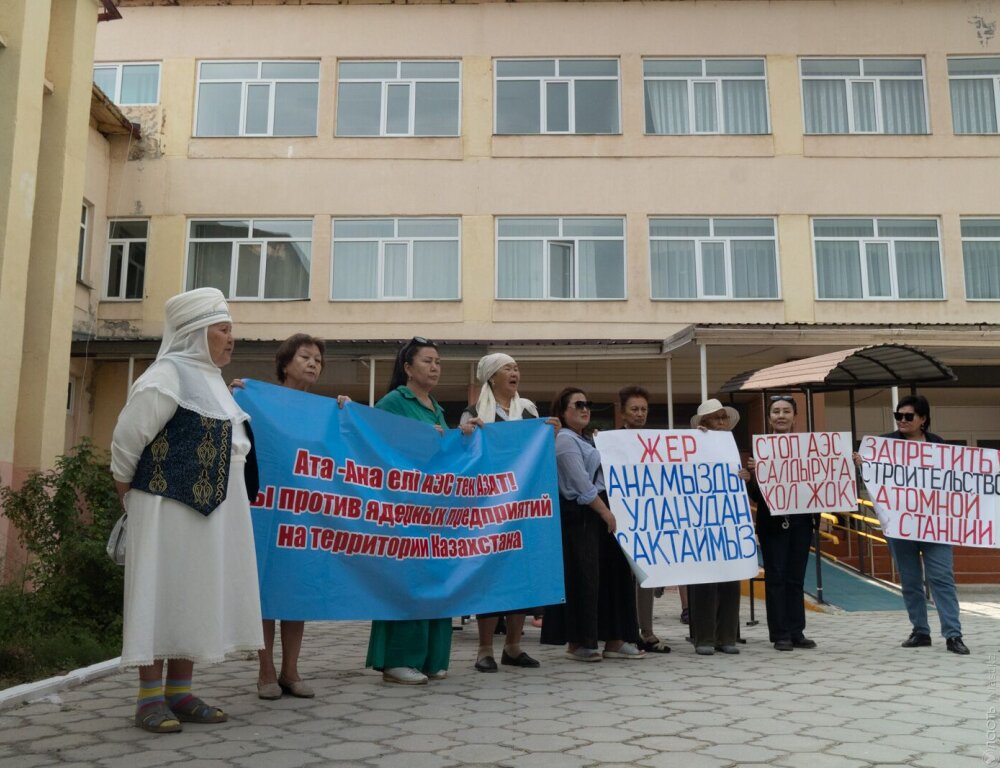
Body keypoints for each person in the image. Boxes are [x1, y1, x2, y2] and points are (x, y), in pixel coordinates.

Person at [111, 288, 264, 734]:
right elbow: (126, 441)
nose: (231, 338)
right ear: (197, 333)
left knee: (191, 594)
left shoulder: (214, 382)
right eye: (223, 329)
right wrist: (132, 499)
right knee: (161, 590)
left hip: (212, 513)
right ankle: (149, 699)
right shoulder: (166, 376)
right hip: (166, 507)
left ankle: (180, 692)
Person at [239, 334, 349, 699]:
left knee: (296, 590)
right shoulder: (258, 401)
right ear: (285, 364)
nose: (314, 363)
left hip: (307, 516)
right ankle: (265, 669)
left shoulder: (325, 410)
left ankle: (291, 669)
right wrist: (233, 394)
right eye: (305, 356)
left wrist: (348, 414)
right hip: (268, 511)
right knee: (267, 590)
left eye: (318, 358)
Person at [366, 337, 474, 684]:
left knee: (435, 579)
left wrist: (465, 435)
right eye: (427, 361)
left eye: (438, 362)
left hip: (435, 513)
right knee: (408, 581)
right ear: (408, 368)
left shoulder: (436, 407)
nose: (435, 367)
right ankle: (398, 660)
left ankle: (431, 657)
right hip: (405, 510)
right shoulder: (394, 402)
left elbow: (442, 452)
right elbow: (375, 443)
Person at [460, 352, 558, 673]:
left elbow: (538, 454)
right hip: (490, 511)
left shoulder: (528, 411)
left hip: (525, 508)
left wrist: (550, 433)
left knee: (523, 576)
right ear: (491, 377)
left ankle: (513, 647)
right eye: (508, 368)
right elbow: (464, 457)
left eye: (517, 367)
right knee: (491, 576)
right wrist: (468, 434)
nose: (515, 372)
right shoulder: (475, 413)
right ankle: (485, 649)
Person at [855, 395, 970, 655]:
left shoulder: (938, 444)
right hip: (900, 525)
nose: (902, 421)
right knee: (910, 580)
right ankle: (920, 631)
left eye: (908, 416)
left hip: (935, 525)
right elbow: (876, 482)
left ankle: (953, 634)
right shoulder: (883, 444)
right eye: (899, 416)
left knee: (942, 577)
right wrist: (864, 464)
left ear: (923, 419)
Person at [541, 387, 645, 662]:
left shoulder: (586, 439)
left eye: (588, 403)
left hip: (600, 514)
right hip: (582, 516)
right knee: (584, 579)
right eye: (578, 405)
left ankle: (616, 638)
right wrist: (605, 513)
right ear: (563, 412)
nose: (585, 409)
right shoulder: (564, 441)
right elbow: (581, 485)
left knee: (614, 576)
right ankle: (580, 642)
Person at [746, 395, 816, 652]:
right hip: (773, 525)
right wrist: (753, 475)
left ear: (795, 417)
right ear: (769, 418)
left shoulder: (810, 448)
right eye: (776, 411)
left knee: (796, 578)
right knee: (776, 577)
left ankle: (797, 631)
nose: (781, 415)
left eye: (786, 411)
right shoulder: (761, 450)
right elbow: (756, 496)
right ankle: (780, 634)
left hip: (802, 522)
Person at [689, 398, 743, 656]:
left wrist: (747, 476)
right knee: (704, 582)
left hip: (730, 522)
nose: (722, 422)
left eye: (724, 418)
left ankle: (727, 636)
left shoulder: (732, 447)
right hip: (701, 522)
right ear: (704, 423)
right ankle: (704, 637)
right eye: (716, 418)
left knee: (731, 580)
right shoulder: (691, 446)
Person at [618, 385, 670, 654]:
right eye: (634, 409)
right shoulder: (610, 441)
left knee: (646, 578)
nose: (640, 414)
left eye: (644, 410)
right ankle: (625, 631)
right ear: (623, 413)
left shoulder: (658, 442)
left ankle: (646, 630)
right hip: (621, 518)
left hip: (649, 519)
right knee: (623, 579)